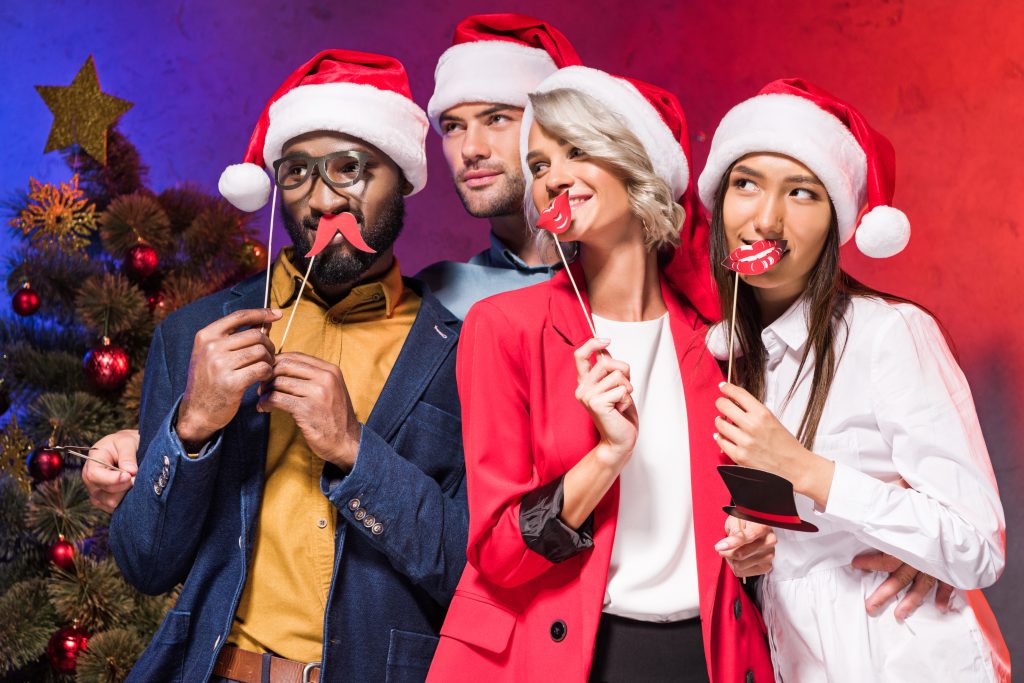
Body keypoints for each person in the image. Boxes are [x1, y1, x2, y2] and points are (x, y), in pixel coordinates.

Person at [108, 50, 467, 683]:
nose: (323, 200)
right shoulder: (196, 335)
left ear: (402, 180)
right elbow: (145, 562)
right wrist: (192, 428)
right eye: (298, 172)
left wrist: (356, 451)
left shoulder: (457, 352)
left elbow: (468, 567)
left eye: (350, 168)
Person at [427, 66, 774, 683]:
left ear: (635, 162)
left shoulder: (722, 338)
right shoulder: (505, 327)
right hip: (571, 660)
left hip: (709, 658)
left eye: (577, 151)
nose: (553, 176)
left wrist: (765, 538)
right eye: (538, 165)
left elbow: (761, 495)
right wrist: (607, 456)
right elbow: (498, 554)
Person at [701, 78, 1009, 682]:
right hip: (794, 659)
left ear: (837, 220)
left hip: (905, 655)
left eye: (802, 193)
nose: (766, 218)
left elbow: (979, 547)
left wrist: (804, 469)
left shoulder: (887, 333)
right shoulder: (723, 351)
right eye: (746, 184)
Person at [417, 12, 581, 318]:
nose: (470, 149)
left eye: (497, 119)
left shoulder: (634, 275)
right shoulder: (434, 301)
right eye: (453, 127)